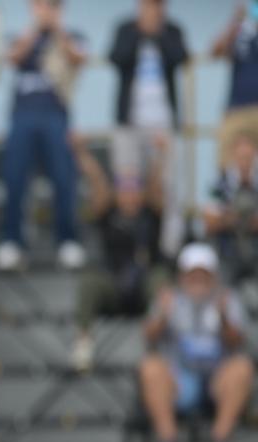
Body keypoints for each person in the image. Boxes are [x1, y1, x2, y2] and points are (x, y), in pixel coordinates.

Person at [0, 0, 88, 273]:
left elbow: (78, 59)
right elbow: (13, 58)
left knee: (64, 178)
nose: (46, 10)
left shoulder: (72, 36)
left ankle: (67, 240)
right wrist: (36, 29)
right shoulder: (21, 36)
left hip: (55, 115)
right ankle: (12, 241)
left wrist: (57, 30)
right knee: (14, 178)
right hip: (22, 116)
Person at [138, 244, 253, 442]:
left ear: (214, 276)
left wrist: (223, 317)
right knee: (150, 367)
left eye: (204, 275)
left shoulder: (227, 299)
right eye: (193, 274)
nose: (198, 280)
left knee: (242, 367)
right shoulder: (167, 298)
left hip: (216, 381)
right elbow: (148, 337)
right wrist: (162, 315)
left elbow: (238, 342)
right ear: (182, 276)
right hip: (180, 380)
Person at [71, 141, 168, 372]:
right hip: (115, 287)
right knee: (89, 281)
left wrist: (161, 155)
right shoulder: (108, 214)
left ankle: (159, 342)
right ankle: (83, 342)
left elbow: (155, 184)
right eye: (124, 189)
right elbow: (96, 180)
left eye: (134, 189)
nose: (129, 194)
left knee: (161, 280)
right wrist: (81, 152)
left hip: (144, 289)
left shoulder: (151, 214)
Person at [108, 0, 188, 255]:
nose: (153, 10)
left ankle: (169, 249)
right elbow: (117, 57)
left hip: (163, 123)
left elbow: (180, 57)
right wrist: (140, 31)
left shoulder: (172, 30)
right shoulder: (126, 29)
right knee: (128, 186)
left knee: (169, 187)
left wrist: (158, 32)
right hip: (129, 123)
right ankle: (127, 247)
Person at [203, 132, 258, 284]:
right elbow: (210, 221)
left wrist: (229, 218)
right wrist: (243, 220)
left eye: (248, 158)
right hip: (227, 253)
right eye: (241, 158)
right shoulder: (220, 182)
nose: (245, 163)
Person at [213, 2, 258, 159]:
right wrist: (234, 22)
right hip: (236, 108)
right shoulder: (239, 32)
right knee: (225, 160)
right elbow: (215, 52)